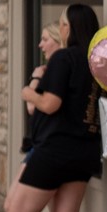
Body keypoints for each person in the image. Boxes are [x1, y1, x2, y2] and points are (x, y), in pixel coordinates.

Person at [5, 5, 104, 212]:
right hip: (85, 152)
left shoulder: (64, 58)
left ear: (68, 28)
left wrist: (28, 93)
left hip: (54, 151)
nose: (61, 30)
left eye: (62, 25)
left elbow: (49, 104)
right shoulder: (97, 63)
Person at [20, 23, 63, 155]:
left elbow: (32, 108)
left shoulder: (57, 71)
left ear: (59, 41)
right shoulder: (53, 69)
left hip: (49, 145)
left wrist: (35, 80)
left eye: (45, 39)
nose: (40, 45)